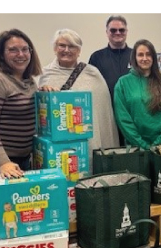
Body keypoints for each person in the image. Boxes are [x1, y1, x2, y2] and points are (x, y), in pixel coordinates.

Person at [0, 29, 42, 224]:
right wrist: (3, 161)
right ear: (2, 54)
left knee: (14, 209)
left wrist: (44, 93)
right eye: (13, 50)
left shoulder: (29, 81)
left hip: (21, 159)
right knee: (8, 209)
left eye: (25, 49)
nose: (20, 54)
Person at [38, 28, 119, 171]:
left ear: (79, 51)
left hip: (87, 143)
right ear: (55, 48)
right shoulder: (45, 75)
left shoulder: (92, 73)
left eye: (72, 46)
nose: (66, 50)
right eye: (62, 45)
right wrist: (45, 94)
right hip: (57, 145)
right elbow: (41, 113)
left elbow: (103, 113)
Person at [113, 39, 161, 149]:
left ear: (153, 57)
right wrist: (142, 145)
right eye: (140, 55)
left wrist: (159, 143)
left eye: (148, 54)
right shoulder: (123, 83)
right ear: (134, 58)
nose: (144, 58)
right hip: (136, 148)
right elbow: (123, 119)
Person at [88, 15, 132, 146]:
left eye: (121, 30)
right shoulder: (96, 57)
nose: (117, 33)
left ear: (126, 32)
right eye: (113, 30)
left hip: (132, 116)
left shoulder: (136, 55)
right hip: (107, 116)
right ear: (107, 32)